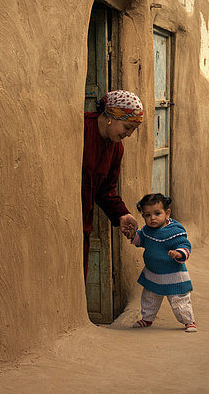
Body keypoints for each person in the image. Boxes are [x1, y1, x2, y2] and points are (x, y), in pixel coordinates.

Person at [82, 90, 143, 280]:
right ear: (111, 116)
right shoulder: (81, 128)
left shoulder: (117, 148)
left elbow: (106, 190)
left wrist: (122, 215)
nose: (129, 134)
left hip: (83, 224)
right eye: (127, 127)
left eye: (133, 130)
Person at [129, 193, 197, 333]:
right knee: (149, 298)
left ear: (167, 214)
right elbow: (141, 239)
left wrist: (178, 253)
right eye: (147, 215)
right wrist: (133, 235)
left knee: (179, 301)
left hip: (173, 276)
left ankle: (188, 321)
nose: (152, 218)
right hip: (153, 273)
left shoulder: (174, 231)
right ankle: (147, 318)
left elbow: (185, 245)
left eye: (157, 213)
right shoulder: (148, 231)